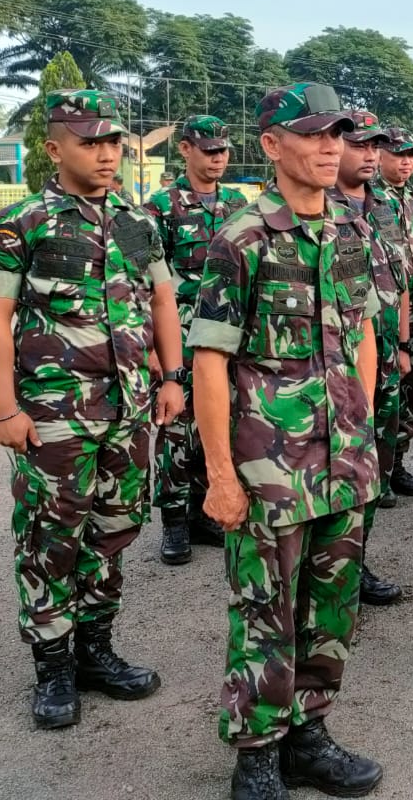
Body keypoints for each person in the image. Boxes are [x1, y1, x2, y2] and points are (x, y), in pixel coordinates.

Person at [187, 83, 385, 799]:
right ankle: (258, 755)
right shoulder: (242, 237)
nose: (333, 148)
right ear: (272, 145)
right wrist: (220, 475)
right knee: (264, 613)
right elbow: (209, 360)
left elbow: (361, 333)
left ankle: (309, 734)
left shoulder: (353, 231)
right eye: (315, 134)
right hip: (271, 464)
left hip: (343, 459)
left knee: (332, 606)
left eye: (340, 134)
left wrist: (361, 427)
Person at [0, 89, 186, 730]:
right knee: (50, 538)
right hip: (55, 414)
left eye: (113, 141)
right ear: (54, 147)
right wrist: (4, 409)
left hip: (129, 408)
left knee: (114, 531)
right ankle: (53, 667)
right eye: (89, 140)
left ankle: (96, 650)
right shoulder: (25, 223)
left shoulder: (138, 218)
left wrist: (171, 377)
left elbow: (163, 299)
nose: (105, 153)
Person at [141, 114, 247, 565]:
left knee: (219, 424)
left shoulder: (238, 204)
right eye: (209, 151)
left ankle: (205, 511)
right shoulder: (159, 207)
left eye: (222, 150)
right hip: (179, 339)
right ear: (185, 150)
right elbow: (144, 281)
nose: (217, 158)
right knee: (176, 431)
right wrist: (151, 347)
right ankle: (174, 523)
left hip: (226, 335)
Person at [331, 110, 413, 608]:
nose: (367, 154)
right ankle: (328, 570)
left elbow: (400, 276)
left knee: (372, 465)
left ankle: (356, 562)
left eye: (373, 146)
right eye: (357, 144)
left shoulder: (386, 205)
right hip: (335, 360)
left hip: (381, 353)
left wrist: (402, 344)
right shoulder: (320, 207)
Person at [380, 129, 413, 498]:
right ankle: (378, 474)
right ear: (380, 155)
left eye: (411, 155)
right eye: (398, 154)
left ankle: (398, 464)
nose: (406, 162)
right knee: (382, 395)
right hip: (385, 316)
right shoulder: (370, 199)